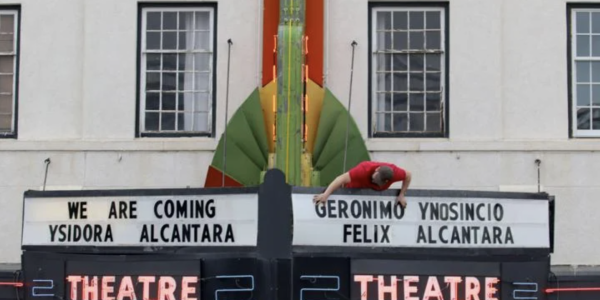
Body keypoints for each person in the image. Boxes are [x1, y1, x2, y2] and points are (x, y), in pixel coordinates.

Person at [313, 161, 412, 208]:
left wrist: (402, 195)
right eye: (374, 179)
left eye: (378, 183)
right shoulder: (363, 169)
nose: (374, 183)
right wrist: (325, 195)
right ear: (377, 169)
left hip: (369, 203)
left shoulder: (395, 173)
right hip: (351, 193)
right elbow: (340, 179)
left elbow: (408, 175)